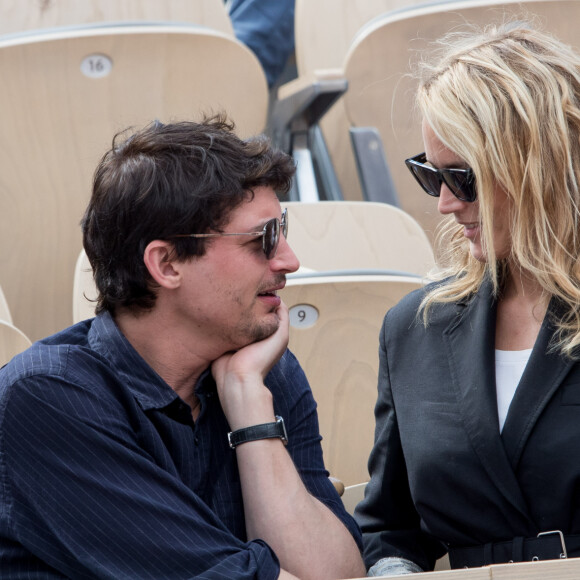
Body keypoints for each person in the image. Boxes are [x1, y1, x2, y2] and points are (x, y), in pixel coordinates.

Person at [0, 115, 365, 579]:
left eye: (284, 230)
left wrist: (251, 410)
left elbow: (339, 575)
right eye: (263, 239)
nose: (290, 260)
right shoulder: (47, 399)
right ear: (167, 263)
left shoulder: (261, 371)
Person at [355, 22, 580, 575]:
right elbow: (390, 529)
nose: (445, 204)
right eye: (432, 176)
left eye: (465, 178)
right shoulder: (415, 327)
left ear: (540, 169)